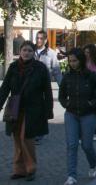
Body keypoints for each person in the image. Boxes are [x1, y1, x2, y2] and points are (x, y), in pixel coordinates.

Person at [0, 41, 53, 181]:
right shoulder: (13, 67)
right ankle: (19, 169)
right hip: (15, 106)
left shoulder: (40, 68)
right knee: (17, 139)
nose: (27, 53)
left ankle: (31, 168)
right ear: (20, 51)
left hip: (33, 108)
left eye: (30, 50)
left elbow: (47, 90)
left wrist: (49, 109)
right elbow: (5, 87)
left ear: (33, 53)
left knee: (26, 138)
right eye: (24, 50)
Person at [59, 48, 96, 185]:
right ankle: (71, 176)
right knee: (72, 144)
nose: (72, 64)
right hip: (71, 114)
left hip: (88, 114)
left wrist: (91, 103)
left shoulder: (91, 76)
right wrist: (66, 103)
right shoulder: (67, 77)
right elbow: (61, 96)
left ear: (81, 60)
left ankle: (93, 164)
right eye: (70, 61)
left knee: (86, 145)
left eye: (75, 61)